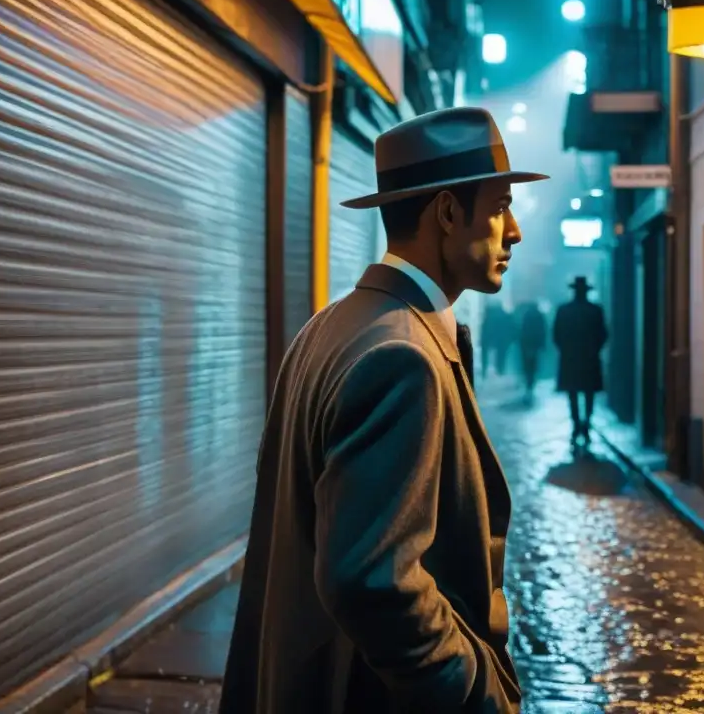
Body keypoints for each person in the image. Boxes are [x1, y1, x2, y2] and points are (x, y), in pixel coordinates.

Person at [219, 107, 548, 713]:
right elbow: (373, 580)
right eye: (500, 205)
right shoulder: (403, 354)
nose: (515, 231)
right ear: (448, 213)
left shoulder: (330, 326)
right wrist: (476, 693)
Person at [552, 276, 608, 443]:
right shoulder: (596, 310)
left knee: (572, 393)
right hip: (590, 359)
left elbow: (556, 334)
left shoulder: (564, 310)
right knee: (589, 394)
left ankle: (576, 425)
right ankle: (586, 424)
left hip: (570, 359)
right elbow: (603, 334)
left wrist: (565, 350)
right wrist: (594, 350)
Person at [517, 302, 547, 396]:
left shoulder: (526, 315)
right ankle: (531, 382)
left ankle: (528, 381)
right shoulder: (539, 315)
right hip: (535, 344)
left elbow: (522, 330)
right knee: (533, 364)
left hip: (526, 344)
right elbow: (542, 330)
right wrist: (542, 344)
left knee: (527, 364)